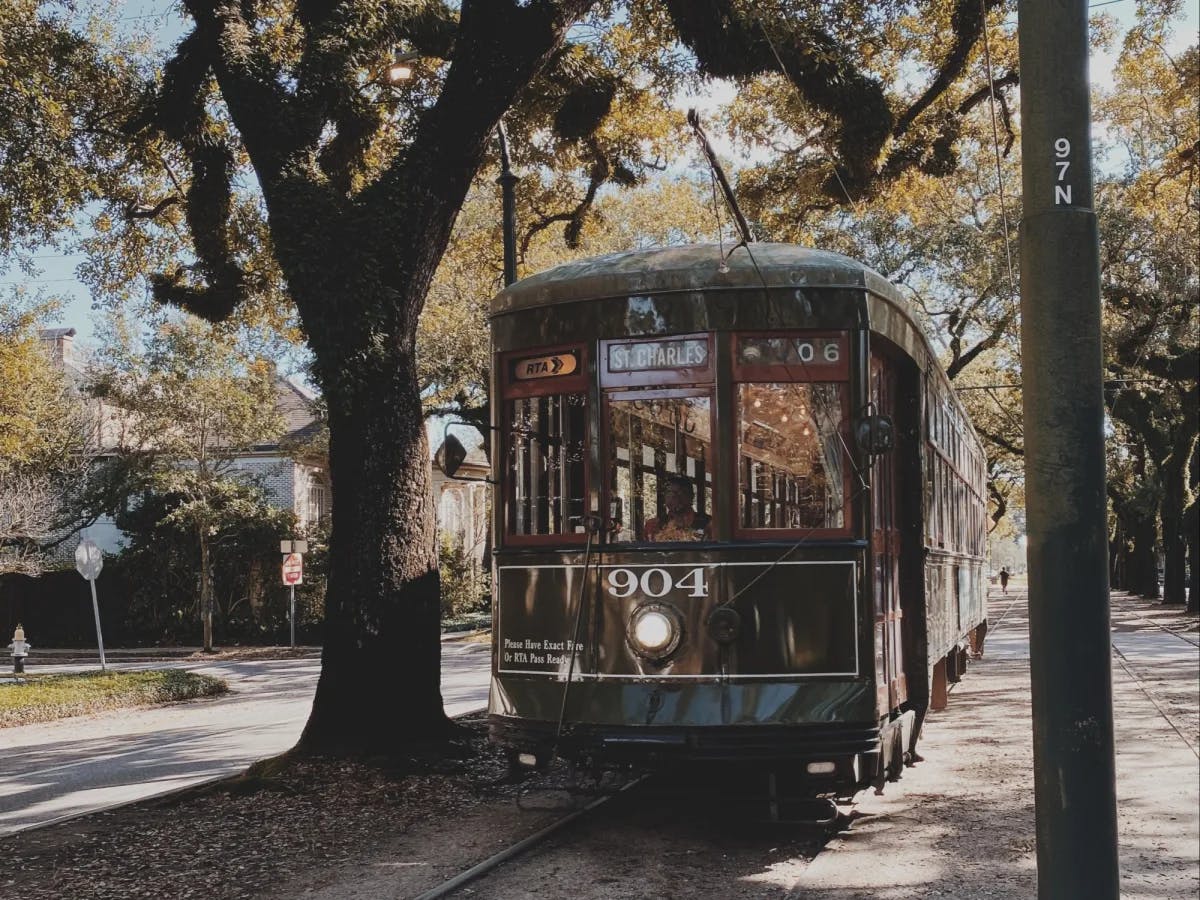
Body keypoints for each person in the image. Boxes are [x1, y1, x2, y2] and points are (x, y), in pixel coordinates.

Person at [645, 476, 711, 542]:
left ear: (691, 496)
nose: (675, 497)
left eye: (681, 492)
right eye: (670, 492)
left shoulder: (708, 524)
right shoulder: (654, 526)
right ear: (664, 498)